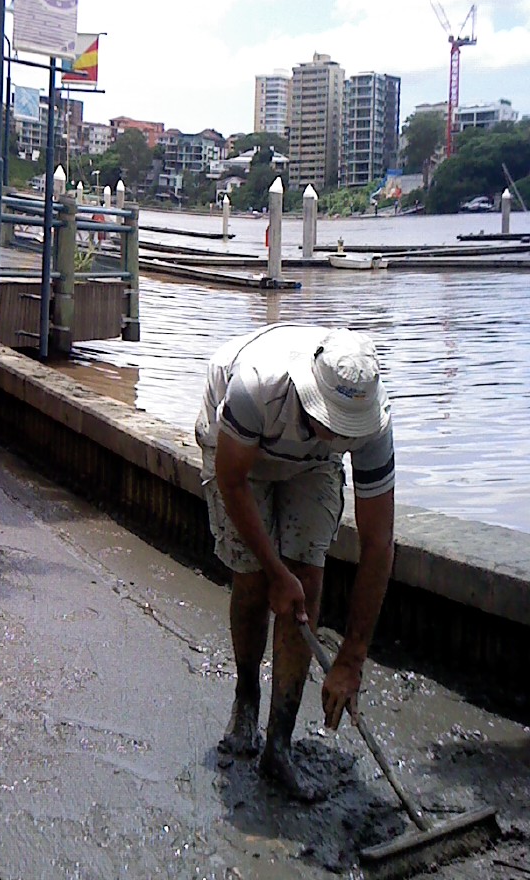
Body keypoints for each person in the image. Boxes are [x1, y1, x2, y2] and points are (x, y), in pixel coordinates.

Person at [195, 324, 395, 802]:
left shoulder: (372, 425)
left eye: (350, 430)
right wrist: (274, 573)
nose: (343, 435)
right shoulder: (255, 386)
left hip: (312, 464)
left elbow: (379, 542)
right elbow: (232, 480)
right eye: (334, 424)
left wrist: (352, 656)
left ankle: (278, 745)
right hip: (239, 449)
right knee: (251, 577)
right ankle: (246, 699)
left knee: (307, 577)